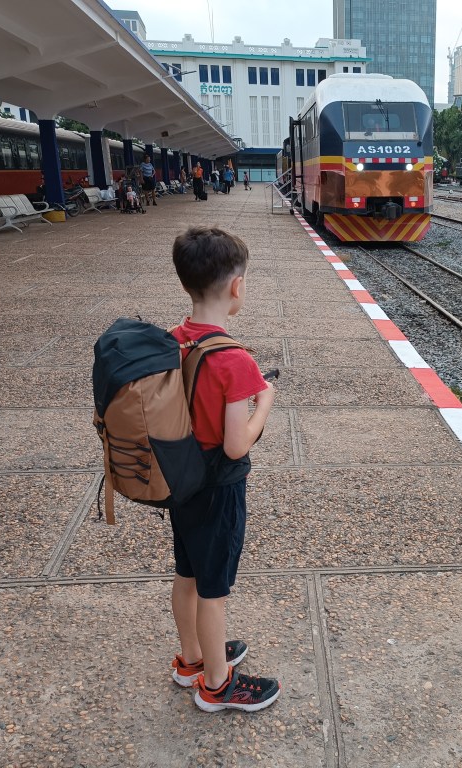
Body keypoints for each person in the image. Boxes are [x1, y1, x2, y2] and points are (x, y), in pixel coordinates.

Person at [168, 226, 280, 713]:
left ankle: (192, 658)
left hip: (181, 481)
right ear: (237, 287)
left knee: (188, 572)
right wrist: (265, 402)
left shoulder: (174, 340)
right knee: (214, 588)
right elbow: (236, 445)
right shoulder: (235, 361)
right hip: (218, 487)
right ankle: (216, 684)